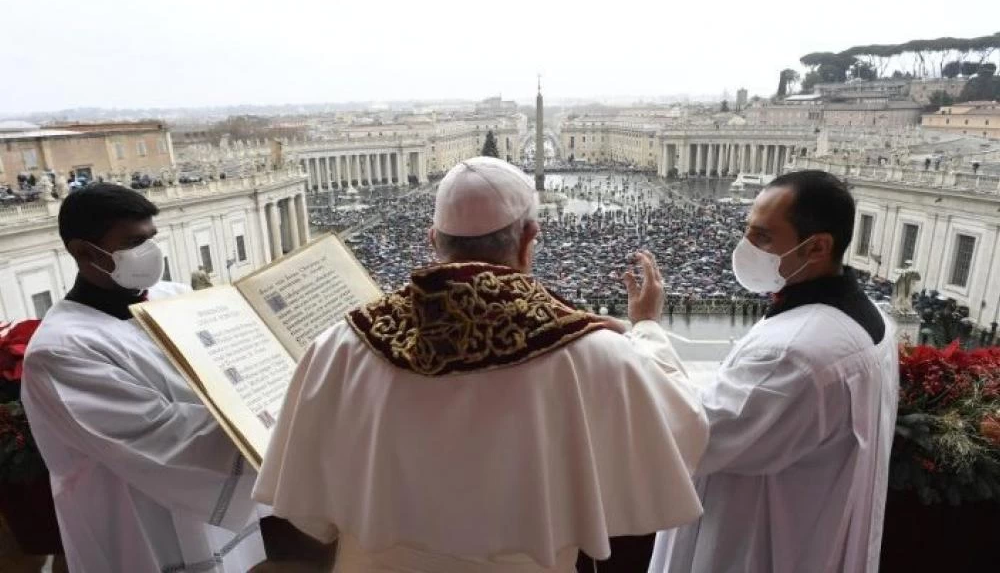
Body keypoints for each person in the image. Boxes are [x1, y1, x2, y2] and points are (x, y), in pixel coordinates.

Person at [253, 157, 709, 572]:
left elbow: (309, 513)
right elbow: (684, 428)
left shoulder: (341, 345)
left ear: (433, 242)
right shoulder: (593, 352)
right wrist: (645, 327)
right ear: (530, 240)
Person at [649, 170, 899, 573]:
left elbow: (690, 434)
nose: (745, 246)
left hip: (755, 545)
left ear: (816, 247)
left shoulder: (793, 353)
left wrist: (647, 331)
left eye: (762, 237)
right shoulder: (874, 321)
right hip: (812, 530)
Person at [21, 183, 267, 572]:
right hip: (135, 519)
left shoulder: (174, 297)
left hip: (206, 502)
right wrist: (281, 422)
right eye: (134, 243)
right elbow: (166, 436)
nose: (150, 254)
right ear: (84, 252)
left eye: (151, 239)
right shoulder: (60, 350)